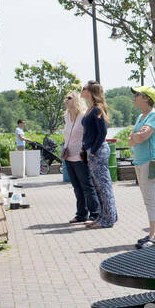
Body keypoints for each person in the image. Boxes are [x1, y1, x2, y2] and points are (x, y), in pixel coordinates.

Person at [130, 86, 155, 249]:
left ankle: (153, 237)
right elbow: (131, 138)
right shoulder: (140, 116)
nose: (134, 97)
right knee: (150, 198)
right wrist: (135, 137)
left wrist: (136, 137)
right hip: (140, 161)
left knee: (151, 199)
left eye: (137, 94)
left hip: (150, 161)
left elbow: (144, 136)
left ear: (146, 98)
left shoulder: (154, 114)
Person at [62, 90, 100, 225]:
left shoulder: (83, 116)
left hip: (80, 156)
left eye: (69, 98)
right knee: (76, 187)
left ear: (76, 99)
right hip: (68, 156)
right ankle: (81, 214)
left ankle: (94, 213)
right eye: (66, 98)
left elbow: (90, 134)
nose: (66, 100)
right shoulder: (66, 117)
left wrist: (87, 149)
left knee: (87, 186)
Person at [81, 81, 116, 229]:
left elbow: (102, 132)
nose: (81, 90)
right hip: (91, 151)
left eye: (84, 88)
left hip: (98, 151)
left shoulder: (97, 109)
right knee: (98, 187)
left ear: (90, 91)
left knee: (104, 187)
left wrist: (93, 151)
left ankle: (108, 219)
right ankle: (102, 216)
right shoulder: (90, 109)